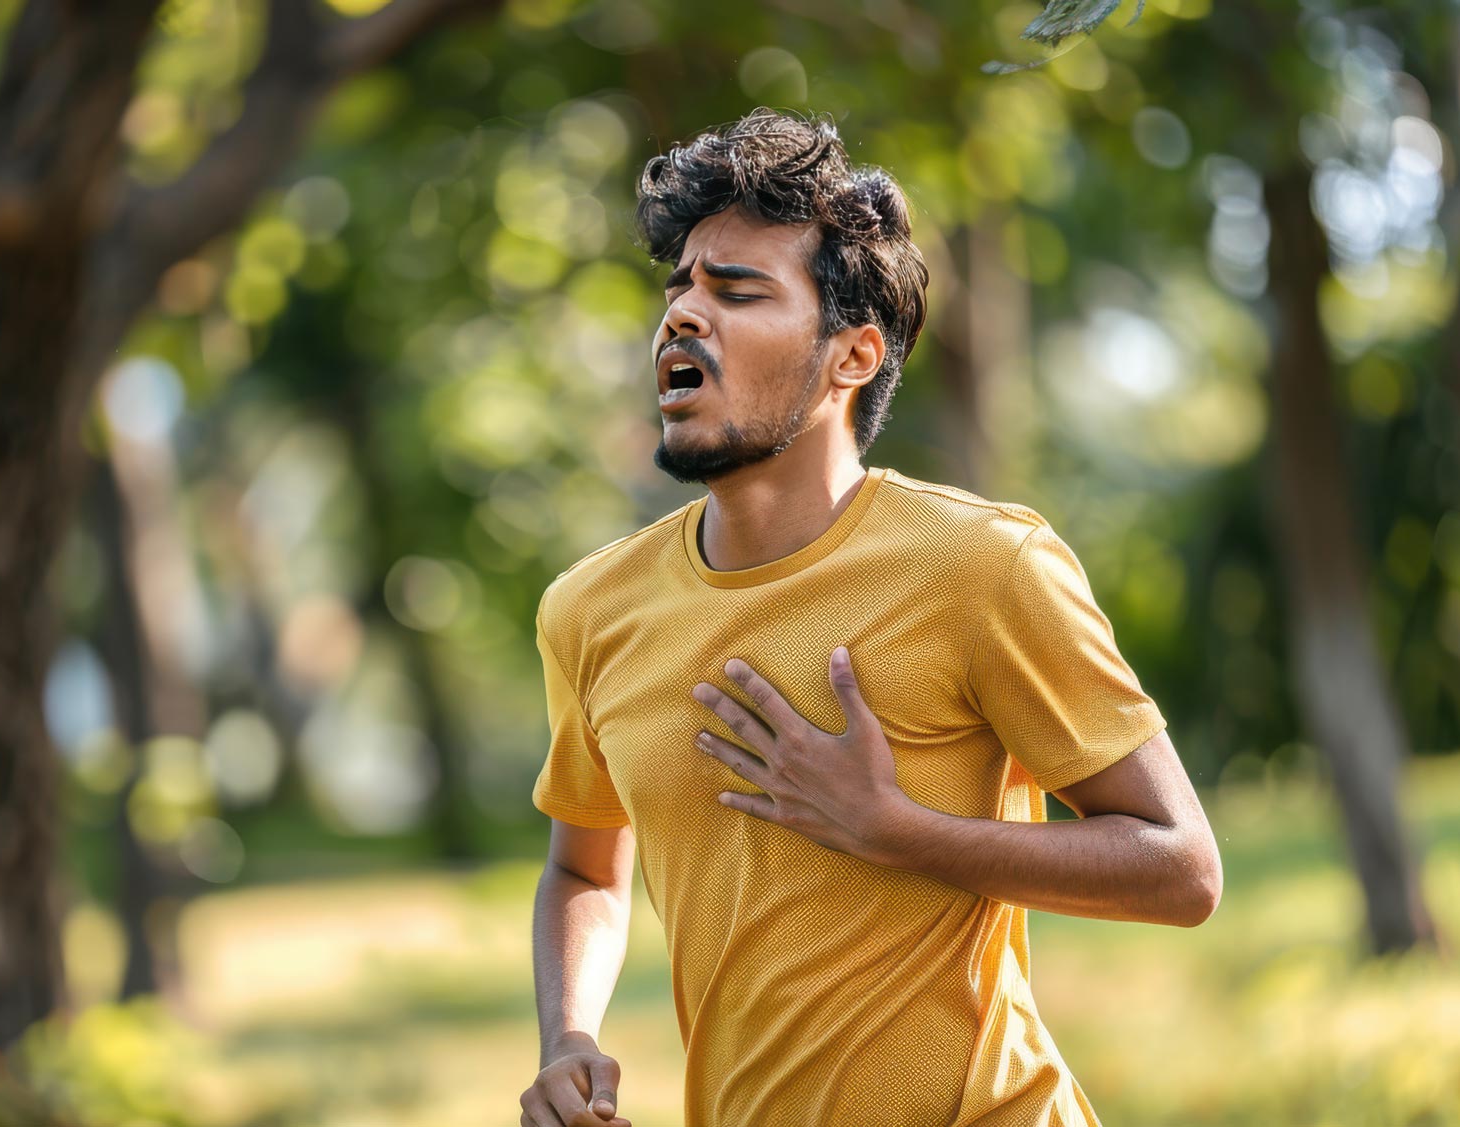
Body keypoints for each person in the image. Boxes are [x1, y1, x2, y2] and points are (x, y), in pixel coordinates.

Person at [519, 107, 1223, 1127]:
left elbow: (1179, 865)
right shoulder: (590, 609)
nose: (680, 314)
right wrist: (568, 1035)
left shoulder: (981, 564)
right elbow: (583, 862)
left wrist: (895, 828)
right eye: (678, 285)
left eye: (735, 289)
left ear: (849, 356)